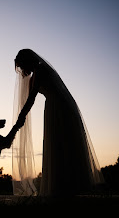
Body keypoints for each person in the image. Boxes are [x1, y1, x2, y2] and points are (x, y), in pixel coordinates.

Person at [13, 49, 104, 197]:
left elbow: (31, 99)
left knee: (61, 142)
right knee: (60, 144)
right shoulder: (37, 72)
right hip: (57, 105)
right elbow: (31, 96)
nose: (22, 70)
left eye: (22, 66)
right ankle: (64, 186)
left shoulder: (40, 69)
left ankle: (65, 187)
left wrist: (21, 117)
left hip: (59, 107)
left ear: (27, 61)